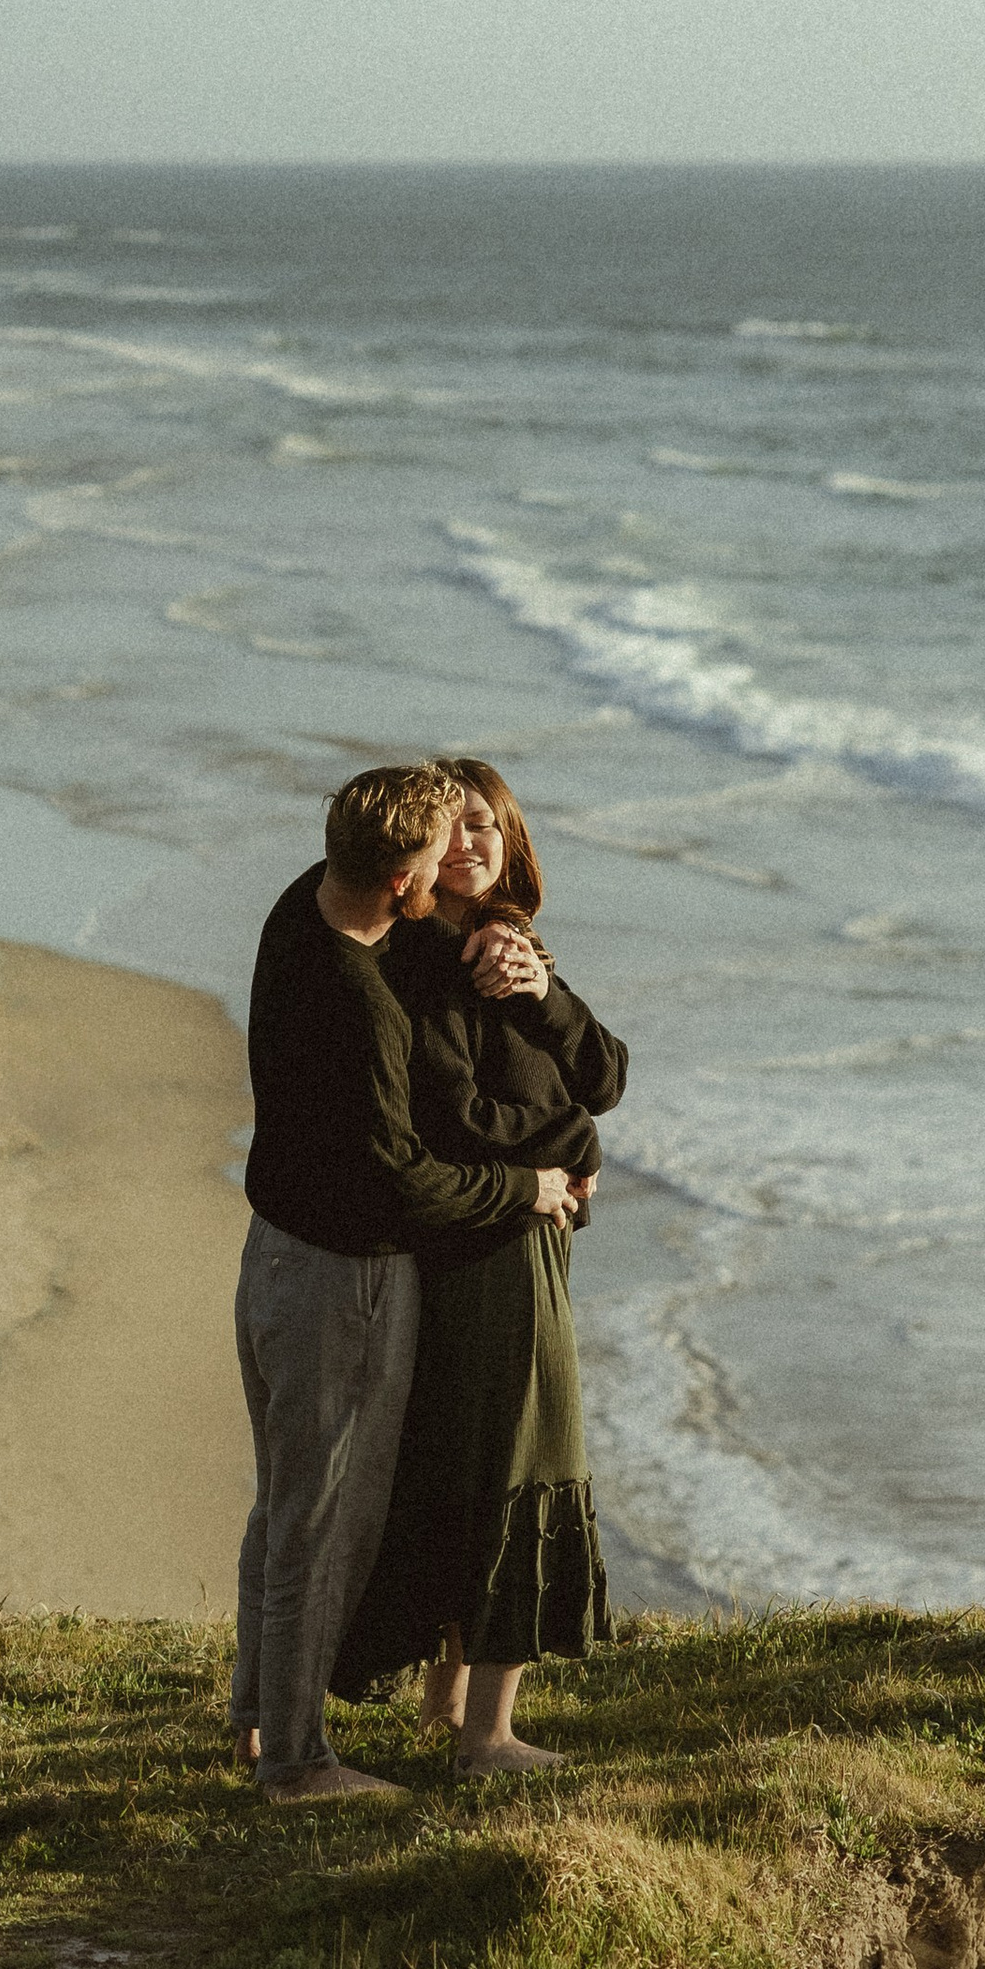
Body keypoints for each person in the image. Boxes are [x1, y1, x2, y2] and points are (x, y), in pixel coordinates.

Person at [234, 763, 576, 1802]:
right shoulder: (357, 1004)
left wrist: (521, 965)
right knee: (322, 1524)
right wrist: (529, 1185)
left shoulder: (305, 904)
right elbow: (402, 1177)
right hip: (345, 1281)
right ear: (398, 881)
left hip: (273, 1255)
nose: (446, 874)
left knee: (283, 1507)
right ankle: (298, 1764)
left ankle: (256, 1720)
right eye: (433, 863)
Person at [331, 757, 626, 1772]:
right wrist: (573, 1145)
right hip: (487, 1245)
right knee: (524, 1461)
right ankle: (487, 1737)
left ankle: (449, 1707)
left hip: (527, 1236)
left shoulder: (508, 946)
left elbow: (605, 1072)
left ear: (512, 840)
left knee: (479, 1462)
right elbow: (452, 1118)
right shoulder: (419, 961)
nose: (469, 842)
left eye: (486, 825)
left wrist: (542, 996)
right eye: (451, 827)